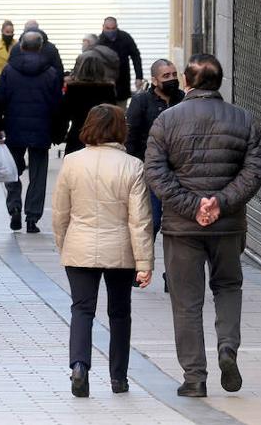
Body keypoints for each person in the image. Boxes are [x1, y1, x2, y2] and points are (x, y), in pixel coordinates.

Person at [144, 54, 261, 399]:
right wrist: (221, 202)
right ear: (219, 82)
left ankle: (194, 377)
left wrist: (191, 206)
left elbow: (156, 172)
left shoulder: (166, 121)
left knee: (186, 301)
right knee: (228, 286)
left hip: (182, 227)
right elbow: (255, 170)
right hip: (227, 225)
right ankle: (227, 346)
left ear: (186, 81)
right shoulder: (243, 119)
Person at [52, 104, 153, 398]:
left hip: (79, 246)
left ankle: (79, 367)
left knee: (82, 309)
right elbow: (140, 220)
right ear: (121, 129)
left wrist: (64, 246)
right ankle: (118, 378)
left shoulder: (71, 162)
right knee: (120, 313)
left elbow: (60, 213)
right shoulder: (132, 166)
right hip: (120, 249)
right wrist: (144, 262)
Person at [0, 31, 63, 234]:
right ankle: (32, 217)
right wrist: (57, 131)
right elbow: (56, 105)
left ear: (22, 47)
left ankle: (14, 205)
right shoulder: (51, 72)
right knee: (38, 174)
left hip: (14, 127)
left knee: (12, 170)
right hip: (42, 128)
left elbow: (1, 99)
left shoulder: (9, 70)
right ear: (41, 47)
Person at [126, 59, 185, 244]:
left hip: (179, 172)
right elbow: (131, 136)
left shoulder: (183, 99)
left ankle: (174, 272)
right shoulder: (141, 101)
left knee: (178, 225)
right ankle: (141, 266)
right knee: (152, 222)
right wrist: (138, 165)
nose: (172, 79)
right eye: (166, 76)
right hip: (150, 171)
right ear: (154, 80)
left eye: (174, 75)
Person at [56, 55, 118, 154]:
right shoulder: (108, 89)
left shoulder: (73, 88)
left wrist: (59, 135)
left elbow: (64, 114)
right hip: (101, 135)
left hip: (78, 133)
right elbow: (113, 114)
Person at [97, 17, 144, 104]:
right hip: (105, 83)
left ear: (117, 27)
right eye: (108, 28)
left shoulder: (125, 37)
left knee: (121, 111)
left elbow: (136, 56)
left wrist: (139, 77)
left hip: (123, 80)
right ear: (103, 27)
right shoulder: (99, 41)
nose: (110, 31)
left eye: (113, 28)